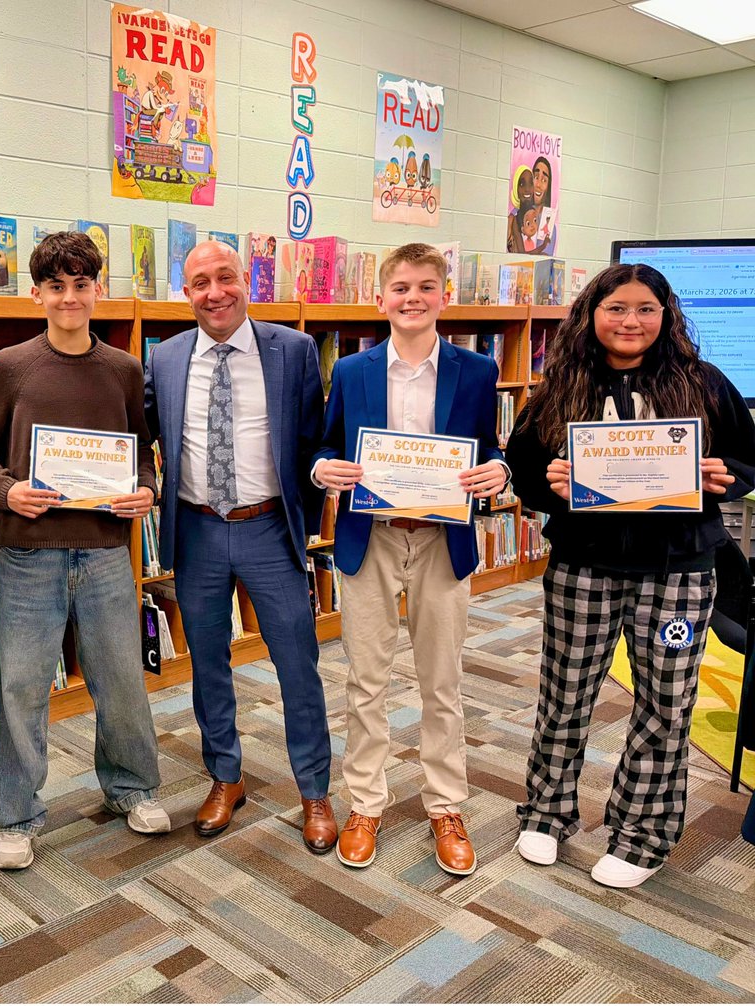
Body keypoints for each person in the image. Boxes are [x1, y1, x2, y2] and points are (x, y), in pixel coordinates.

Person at [506, 262, 755, 888]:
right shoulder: (563, 385)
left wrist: (724, 473)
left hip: (677, 573)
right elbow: (524, 470)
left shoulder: (704, 383)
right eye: (617, 308)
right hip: (583, 567)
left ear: (666, 315)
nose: (631, 321)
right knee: (564, 695)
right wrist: (552, 486)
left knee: (665, 705)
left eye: (646, 308)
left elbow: (749, 462)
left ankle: (642, 832)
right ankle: (546, 811)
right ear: (593, 315)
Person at [0, 232, 167, 870]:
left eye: (82, 284)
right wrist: (5, 490)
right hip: (28, 552)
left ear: (98, 289)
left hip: (105, 550)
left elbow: (141, 451)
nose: (70, 296)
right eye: (57, 286)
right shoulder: (9, 365)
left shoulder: (124, 369)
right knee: (20, 688)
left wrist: (146, 489)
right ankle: (17, 815)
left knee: (122, 681)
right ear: (37, 294)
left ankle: (131, 787)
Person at [313, 243, 508, 876]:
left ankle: (445, 804)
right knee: (365, 679)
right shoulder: (352, 370)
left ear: (444, 297)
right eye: (400, 287)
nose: (413, 298)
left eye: (426, 287)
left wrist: (498, 472)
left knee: (441, 682)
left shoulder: (477, 372)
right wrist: (323, 468)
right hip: (370, 536)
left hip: (441, 539)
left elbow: (493, 450)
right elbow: (325, 444)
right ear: (381, 298)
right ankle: (366, 801)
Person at [144, 240, 337, 852]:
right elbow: (140, 435)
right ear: (187, 293)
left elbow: (313, 441)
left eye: (225, 277)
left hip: (268, 529)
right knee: (207, 664)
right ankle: (225, 776)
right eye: (200, 282)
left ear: (245, 281)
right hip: (196, 528)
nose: (215, 292)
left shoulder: (294, 351)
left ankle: (314, 789)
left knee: (297, 664)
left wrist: (310, 503)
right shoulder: (166, 357)